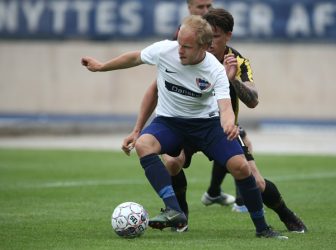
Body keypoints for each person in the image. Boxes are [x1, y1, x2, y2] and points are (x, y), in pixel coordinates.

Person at [82, 15, 287, 239]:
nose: (179, 50)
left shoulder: (215, 70)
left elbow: (225, 107)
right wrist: (101, 67)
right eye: (179, 43)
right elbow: (134, 58)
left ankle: (263, 228)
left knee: (241, 167)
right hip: (170, 122)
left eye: (186, 46)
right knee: (144, 145)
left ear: (204, 47)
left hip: (206, 125)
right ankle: (174, 210)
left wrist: (228, 124)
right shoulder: (165, 50)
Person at [123, 8, 307, 234]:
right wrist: (138, 128)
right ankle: (181, 214)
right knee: (171, 163)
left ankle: (285, 215)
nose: (210, 43)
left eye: (215, 37)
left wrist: (231, 80)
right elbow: (155, 89)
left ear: (227, 36)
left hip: (221, 127)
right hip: (182, 124)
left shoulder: (236, 60)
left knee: (255, 181)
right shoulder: (183, 50)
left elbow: (253, 101)